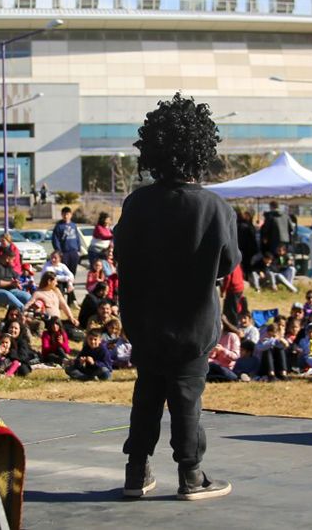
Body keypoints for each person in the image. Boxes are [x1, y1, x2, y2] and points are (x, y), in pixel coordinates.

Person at [115, 93, 238, 501]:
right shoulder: (215, 207)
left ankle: (136, 473)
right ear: (201, 150)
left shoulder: (136, 203)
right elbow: (228, 263)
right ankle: (191, 475)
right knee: (187, 398)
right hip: (193, 321)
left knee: (147, 394)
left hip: (145, 319)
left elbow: (123, 255)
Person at [51, 206, 82, 274]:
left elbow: (77, 238)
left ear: (71, 215)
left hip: (74, 251)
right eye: (64, 214)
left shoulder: (73, 225)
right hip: (64, 252)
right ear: (62, 215)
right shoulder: (59, 226)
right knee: (65, 271)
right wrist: (59, 251)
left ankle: (72, 281)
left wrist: (79, 250)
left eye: (67, 214)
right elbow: (55, 240)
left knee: (73, 271)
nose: (66, 216)